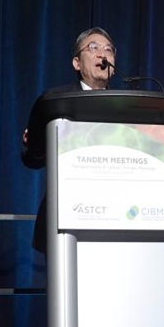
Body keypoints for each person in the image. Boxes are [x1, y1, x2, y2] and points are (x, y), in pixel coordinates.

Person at [21, 27, 117, 253]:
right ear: (76, 63)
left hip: (115, 218)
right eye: (93, 48)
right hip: (67, 219)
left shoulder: (128, 109)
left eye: (108, 50)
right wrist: (35, 143)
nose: (102, 54)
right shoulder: (56, 102)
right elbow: (32, 159)